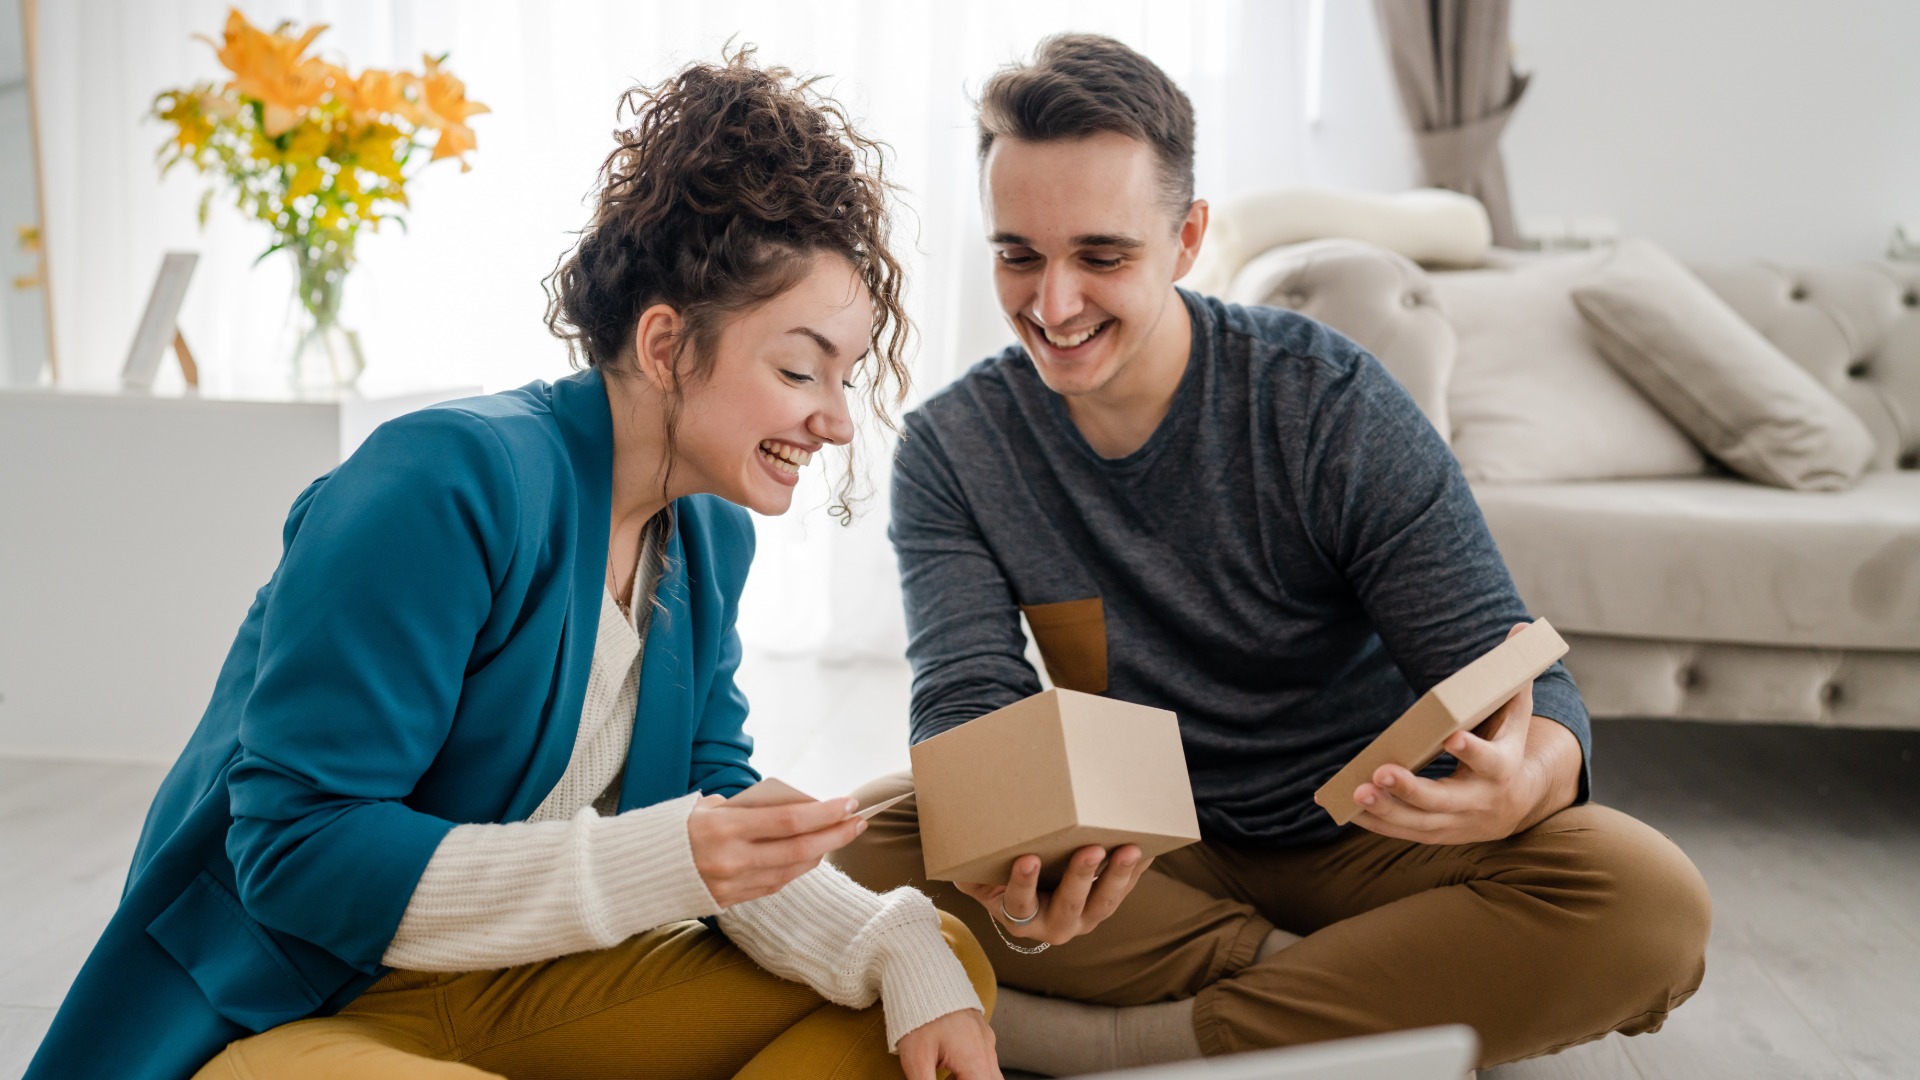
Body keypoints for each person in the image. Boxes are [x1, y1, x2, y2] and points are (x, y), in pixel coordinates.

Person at [27, 50, 1001, 1080]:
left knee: (929, 967)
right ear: (665, 344)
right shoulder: (445, 482)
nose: (837, 421)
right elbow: (296, 854)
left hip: (497, 990)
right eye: (801, 370)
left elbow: (712, 803)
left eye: (846, 378)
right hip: (284, 1004)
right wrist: (656, 859)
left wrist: (886, 937)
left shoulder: (710, 536)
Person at [831, 33, 1711, 1075]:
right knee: (851, 847)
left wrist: (1530, 779)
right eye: (1018, 255)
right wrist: (1002, 840)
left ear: (1188, 239)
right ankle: (1345, 994)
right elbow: (967, 698)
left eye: (1102, 257)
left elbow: (1517, 672)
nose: (1052, 304)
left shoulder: (1326, 402)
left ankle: (1137, 1044)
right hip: (1139, 854)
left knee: (1648, 902)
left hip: (1378, 838)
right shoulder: (954, 446)